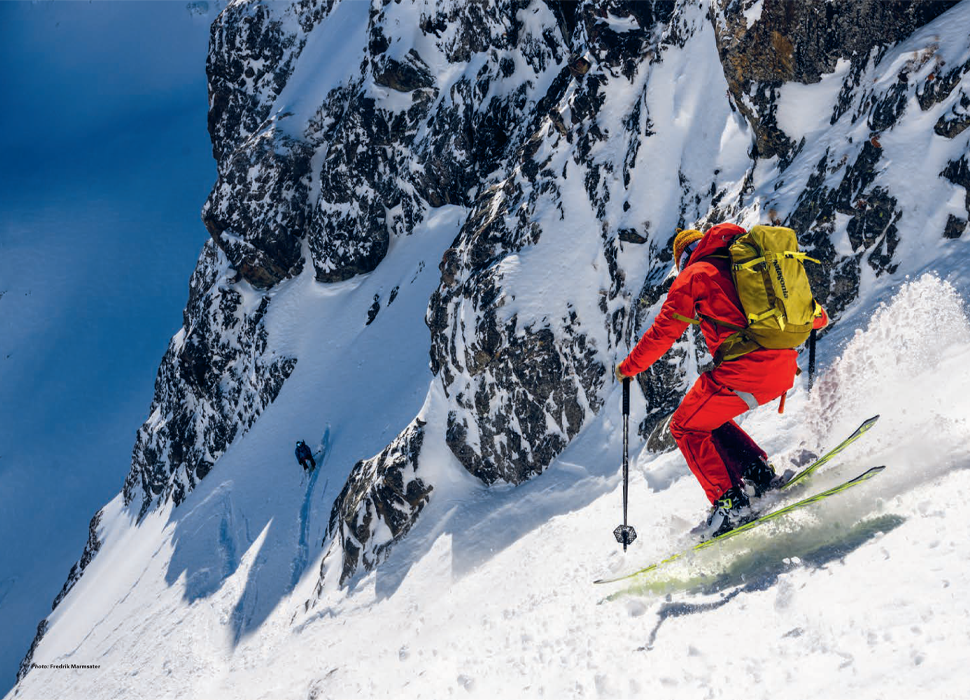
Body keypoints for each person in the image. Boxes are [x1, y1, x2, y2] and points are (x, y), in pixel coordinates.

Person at [615, 224, 828, 537]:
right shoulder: (750, 265)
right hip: (783, 367)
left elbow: (663, 332)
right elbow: (817, 317)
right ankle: (758, 474)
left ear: (682, 261)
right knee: (706, 418)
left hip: (746, 372)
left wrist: (628, 368)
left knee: (684, 426)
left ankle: (728, 503)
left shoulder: (694, 275)